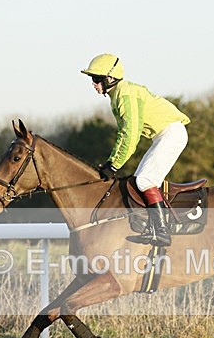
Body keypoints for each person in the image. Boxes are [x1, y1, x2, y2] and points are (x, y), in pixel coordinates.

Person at [81, 53, 190, 247]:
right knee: (137, 181)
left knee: (145, 180)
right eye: (92, 79)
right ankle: (153, 226)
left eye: (97, 79)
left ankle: (162, 231)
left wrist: (114, 165)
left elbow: (131, 134)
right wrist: (111, 161)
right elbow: (124, 134)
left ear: (110, 78)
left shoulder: (125, 94)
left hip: (171, 134)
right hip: (163, 135)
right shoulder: (117, 95)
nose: (93, 83)